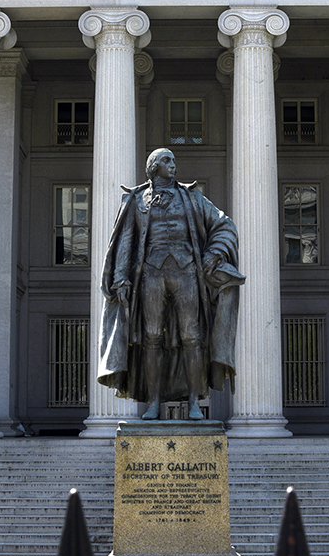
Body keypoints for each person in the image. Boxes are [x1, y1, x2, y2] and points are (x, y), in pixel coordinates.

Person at [98, 148, 244, 420]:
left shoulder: (192, 198)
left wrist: (213, 253)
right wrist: (120, 276)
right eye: (167, 161)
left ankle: (193, 403)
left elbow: (224, 225)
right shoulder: (136, 201)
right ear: (153, 166)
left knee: (192, 337)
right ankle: (153, 403)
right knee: (151, 338)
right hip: (150, 274)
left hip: (187, 272)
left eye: (174, 161)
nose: (173, 165)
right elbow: (126, 240)